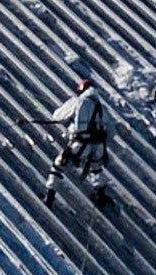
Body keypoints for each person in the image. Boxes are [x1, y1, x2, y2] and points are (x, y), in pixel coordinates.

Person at [43, 77, 111, 208]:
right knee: (96, 168)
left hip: (80, 143)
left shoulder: (77, 102)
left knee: (58, 165)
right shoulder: (102, 108)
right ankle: (100, 194)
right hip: (99, 146)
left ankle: (49, 196)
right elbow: (111, 131)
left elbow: (57, 116)